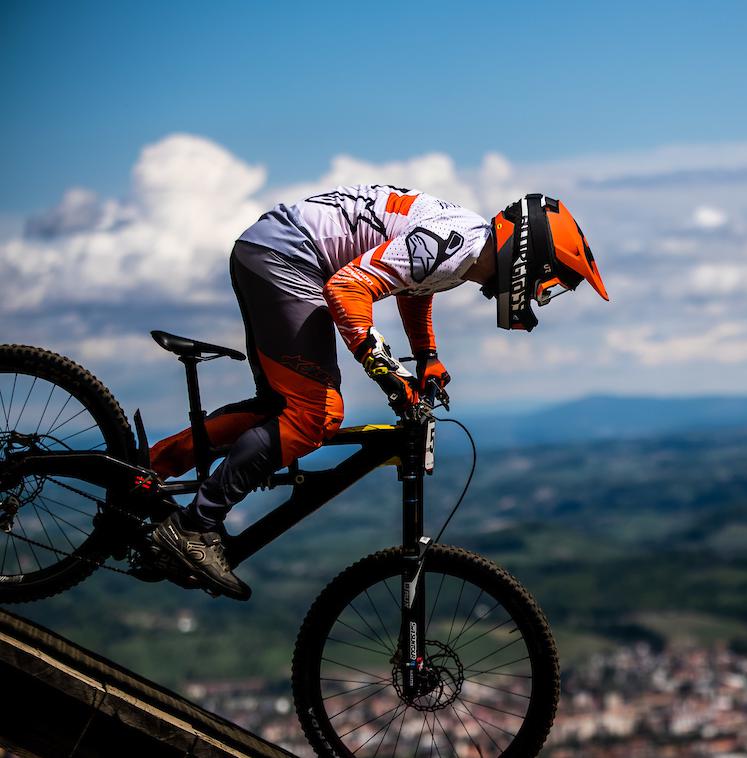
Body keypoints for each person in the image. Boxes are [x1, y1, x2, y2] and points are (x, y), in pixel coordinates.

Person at [148, 186, 608, 599]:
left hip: (273, 248)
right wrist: (387, 371)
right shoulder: (457, 244)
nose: (538, 296)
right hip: (288, 256)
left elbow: (413, 285)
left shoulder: (464, 245)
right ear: (530, 258)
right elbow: (347, 287)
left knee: (283, 410)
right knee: (316, 416)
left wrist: (425, 354)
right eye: (547, 286)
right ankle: (193, 527)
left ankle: (146, 469)